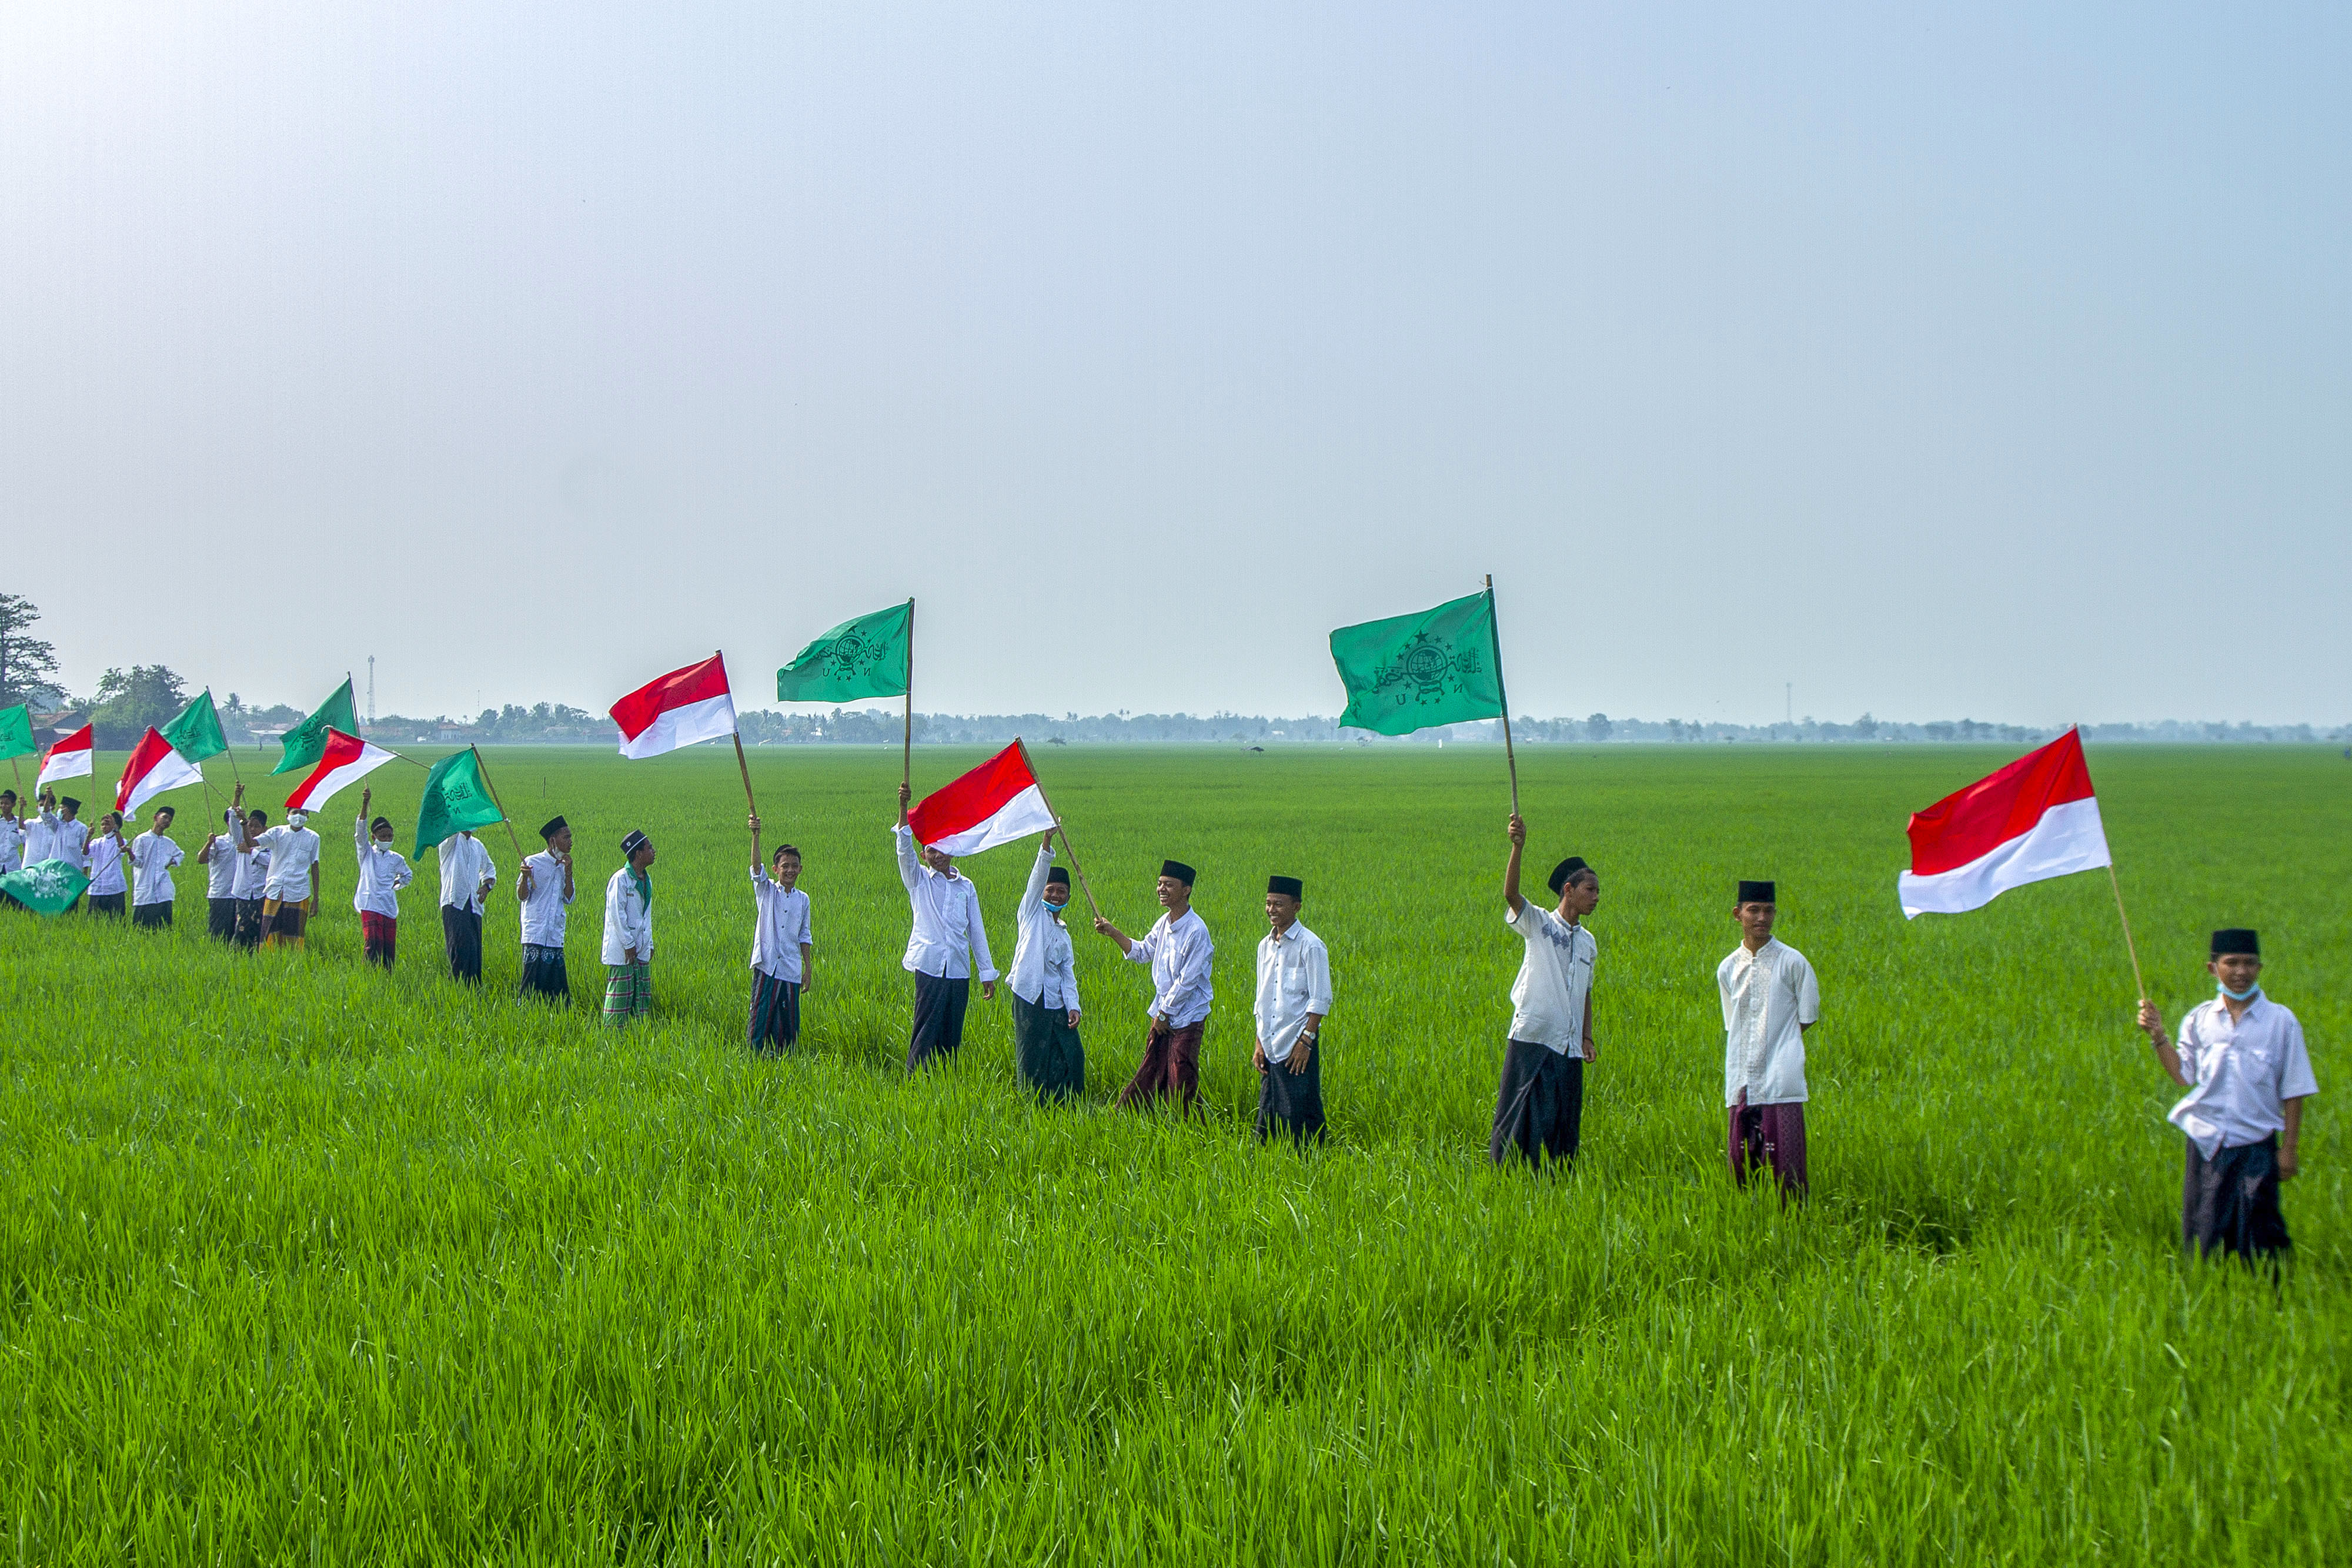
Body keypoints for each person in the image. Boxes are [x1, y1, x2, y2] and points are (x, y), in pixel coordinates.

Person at [2136, 929, 2318, 1267]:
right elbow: (2182, 1075)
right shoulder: (2199, 1019)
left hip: (2256, 1144)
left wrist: (2289, 1149)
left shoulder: (2281, 1022)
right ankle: (2210, 1298)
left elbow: (2295, 1089)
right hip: (2207, 1142)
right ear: (2212, 968)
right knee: (2204, 1234)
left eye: (2249, 963)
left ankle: (2271, 1301)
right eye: (2230, 963)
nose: (2240, 972)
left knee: (2262, 1237)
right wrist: (2158, 1035)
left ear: (2260, 968)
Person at [1491, 814, 1600, 1171]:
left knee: (1562, 1117)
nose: (1597, 897)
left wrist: (1586, 1036)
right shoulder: (1538, 924)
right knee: (1519, 1112)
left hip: (1568, 1043)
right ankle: (1508, 1173)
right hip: (1534, 1034)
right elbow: (1510, 894)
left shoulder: (1588, 943)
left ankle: (1556, 1176)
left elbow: (1585, 991)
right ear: (1568, 890)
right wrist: (1517, 848)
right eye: (1591, 890)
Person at [1718, 880, 1820, 1200]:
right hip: (1741, 1075)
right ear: (1738, 914)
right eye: (1754, 910)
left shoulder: (1793, 963)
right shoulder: (1728, 968)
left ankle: (1792, 1224)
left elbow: (1808, 1015)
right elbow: (1732, 1023)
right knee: (1742, 1161)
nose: (1762, 918)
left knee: (1786, 1163)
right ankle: (1746, 1217)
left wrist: (1778, 1042)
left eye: (1769, 911)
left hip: (1781, 1075)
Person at [1095, 858, 1214, 1113]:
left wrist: (1163, 1013)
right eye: (1160, 884)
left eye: (1169, 885)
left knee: (1181, 1074)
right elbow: (1142, 951)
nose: (1161, 889)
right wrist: (1113, 932)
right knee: (1152, 1067)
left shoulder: (1196, 931)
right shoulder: (1164, 923)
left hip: (1187, 1015)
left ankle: (1192, 1129)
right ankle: (1126, 1114)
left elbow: (1187, 982)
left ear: (1186, 890)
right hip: (1165, 1013)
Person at [893, 782, 998, 1070]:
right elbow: (904, 851)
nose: (937, 855)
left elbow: (977, 931)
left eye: (942, 849)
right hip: (929, 966)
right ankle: (915, 1079)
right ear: (924, 854)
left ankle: (944, 1078)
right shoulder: (919, 881)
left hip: (959, 969)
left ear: (953, 849)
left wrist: (986, 972)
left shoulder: (966, 887)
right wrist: (903, 808)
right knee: (926, 1027)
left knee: (952, 1032)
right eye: (930, 851)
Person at [1253, 875, 1332, 1145]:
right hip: (1270, 1040)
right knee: (1268, 1109)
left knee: (1300, 1110)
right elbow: (1261, 998)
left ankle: (1309, 1161)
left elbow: (1321, 999)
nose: (1272, 910)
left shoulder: (1310, 946)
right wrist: (1259, 1042)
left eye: (1279, 904)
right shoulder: (1265, 947)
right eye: (1268, 903)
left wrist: (1306, 1042)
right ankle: (1267, 1161)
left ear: (1296, 907)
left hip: (1297, 1041)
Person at [1007, 830, 1084, 1099]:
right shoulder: (1030, 913)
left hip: (1056, 1002)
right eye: (1050, 890)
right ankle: (1031, 1101)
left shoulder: (1063, 933)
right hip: (1029, 996)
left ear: (1068, 897)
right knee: (1031, 1054)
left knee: (1070, 1051)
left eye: (1061, 892)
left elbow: (1067, 974)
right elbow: (1037, 879)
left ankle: (1064, 1099)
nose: (1055, 895)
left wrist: (1073, 1006)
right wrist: (1047, 843)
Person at [746, 814, 815, 1054]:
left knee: (789, 1020)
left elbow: (805, 935)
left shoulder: (803, 899)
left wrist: (807, 968)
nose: (790, 870)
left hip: (791, 968)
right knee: (760, 1013)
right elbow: (756, 869)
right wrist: (756, 835)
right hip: (768, 965)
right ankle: (754, 1057)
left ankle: (785, 1058)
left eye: (794, 866)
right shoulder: (766, 892)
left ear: (801, 869)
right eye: (785, 866)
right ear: (775, 869)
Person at [516, 815, 577, 1002]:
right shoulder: (533, 862)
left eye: (570, 837)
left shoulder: (565, 865)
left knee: (557, 988)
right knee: (531, 983)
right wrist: (525, 877)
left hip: (555, 933)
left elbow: (569, 898)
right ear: (553, 840)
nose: (570, 841)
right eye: (566, 837)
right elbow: (522, 896)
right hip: (535, 931)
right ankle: (525, 1013)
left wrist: (568, 873)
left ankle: (556, 1015)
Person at [352, 787, 415, 967]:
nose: (387, 839)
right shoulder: (366, 854)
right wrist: (365, 803)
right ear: (374, 837)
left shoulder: (396, 858)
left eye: (390, 836)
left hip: (388, 905)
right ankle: (369, 977)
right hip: (369, 903)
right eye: (383, 836)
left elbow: (407, 876)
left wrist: (396, 885)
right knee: (373, 943)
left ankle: (386, 978)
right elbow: (360, 831)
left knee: (388, 948)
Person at [601, 830, 656, 1026]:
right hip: (623, 950)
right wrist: (628, 943)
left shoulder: (646, 880)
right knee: (620, 996)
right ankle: (611, 1034)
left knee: (641, 995)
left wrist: (649, 943)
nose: (654, 851)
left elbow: (646, 916)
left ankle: (637, 1033)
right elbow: (617, 915)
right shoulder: (620, 880)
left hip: (640, 947)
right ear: (639, 853)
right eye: (649, 847)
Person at [252, 807, 324, 950]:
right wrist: (243, 823)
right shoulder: (276, 832)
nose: (299, 816)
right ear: (287, 816)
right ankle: (269, 963)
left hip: (299, 892)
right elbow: (252, 843)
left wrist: (316, 898)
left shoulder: (313, 837)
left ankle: (292, 961)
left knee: (294, 935)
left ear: (307, 817)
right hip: (275, 890)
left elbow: (315, 866)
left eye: (303, 813)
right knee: (269, 934)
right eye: (295, 813)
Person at [436, 827, 497, 984]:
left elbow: (490, 870)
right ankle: (457, 989)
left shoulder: (477, 845)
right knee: (460, 949)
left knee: (475, 951)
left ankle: (474, 989)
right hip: (454, 902)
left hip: (474, 905)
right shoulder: (449, 841)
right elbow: (452, 825)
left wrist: (486, 888)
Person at [129, 805, 185, 929]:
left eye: (170, 820)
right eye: (165, 817)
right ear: (155, 817)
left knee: (163, 927)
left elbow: (181, 854)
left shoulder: (168, 842)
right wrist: (129, 852)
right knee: (142, 928)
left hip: (164, 890)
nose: (167, 821)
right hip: (146, 889)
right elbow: (138, 863)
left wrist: (171, 862)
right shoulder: (142, 839)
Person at [196, 802, 245, 941]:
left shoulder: (247, 843)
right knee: (218, 935)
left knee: (237, 934)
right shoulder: (219, 842)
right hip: (221, 894)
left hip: (240, 895)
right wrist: (209, 843)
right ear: (229, 822)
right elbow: (201, 860)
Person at [229, 795, 272, 950]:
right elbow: (233, 820)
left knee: (260, 926)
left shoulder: (268, 844)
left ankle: (257, 954)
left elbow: (270, 862)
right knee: (242, 925)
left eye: (256, 826)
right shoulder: (240, 840)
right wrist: (237, 796)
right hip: (243, 891)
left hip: (261, 892)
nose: (252, 829)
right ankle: (239, 953)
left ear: (264, 829)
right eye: (250, 826)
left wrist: (251, 852)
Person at [84, 812, 131, 918]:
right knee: (94, 920)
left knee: (116, 919)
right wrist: (89, 835)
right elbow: (85, 852)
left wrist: (116, 830)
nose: (104, 827)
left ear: (115, 826)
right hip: (97, 886)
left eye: (108, 824)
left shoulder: (120, 840)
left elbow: (122, 847)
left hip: (114, 886)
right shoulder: (97, 842)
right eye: (103, 824)